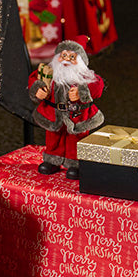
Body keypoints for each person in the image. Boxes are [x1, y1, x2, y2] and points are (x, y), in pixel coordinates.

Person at [28, 40, 104, 178]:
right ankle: (52, 160)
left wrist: (82, 92)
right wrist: (37, 89)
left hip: (77, 114)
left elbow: (98, 86)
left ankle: (75, 164)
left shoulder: (85, 76)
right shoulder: (50, 73)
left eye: (72, 57)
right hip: (54, 113)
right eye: (63, 55)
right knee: (53, 138)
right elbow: (34, 79)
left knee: (76, 140)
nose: (67, 59)